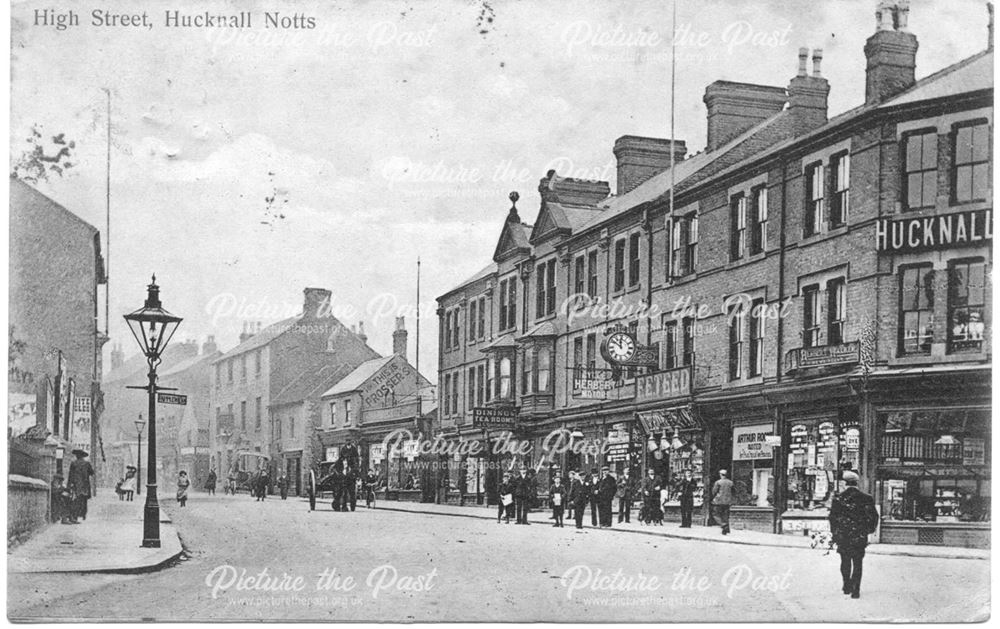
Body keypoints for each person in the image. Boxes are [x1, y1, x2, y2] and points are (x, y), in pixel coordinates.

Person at [829, 471, 879, 599]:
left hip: (843, 536)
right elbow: (874, 516)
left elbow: (832, 519)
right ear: (857, 483)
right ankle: (856, 590)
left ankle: (846, 586)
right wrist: (868, 530)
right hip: (859, 536)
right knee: (858, 563)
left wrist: (835, 534)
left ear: (845, 484)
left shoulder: (838, 499)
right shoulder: (866, 498)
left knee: (845, 561)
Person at [66, 449, 94, 523]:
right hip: (85, 485)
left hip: (76, 485)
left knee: (76, 501)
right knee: (83, 500)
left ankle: (75, 516)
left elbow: (70, 475)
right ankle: (83, 514)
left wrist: (68, 486)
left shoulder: (73, 463)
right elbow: (92, 472)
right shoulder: (87, 463)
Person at [711, 469, 734, 535]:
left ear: (720, 474)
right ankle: (726, 530)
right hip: (727, 502)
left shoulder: (718, 482)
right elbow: (733, 491)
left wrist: (714, 498)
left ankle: (723, 525)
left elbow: (714, 492)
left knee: (715, 514)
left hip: (719, 501)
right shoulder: (730, 482)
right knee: (725, 515)